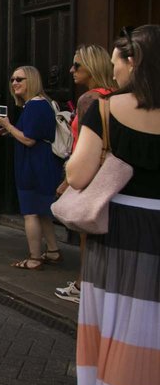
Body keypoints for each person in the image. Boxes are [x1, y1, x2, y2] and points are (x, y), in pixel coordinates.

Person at [68, 25, 160, 385]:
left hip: (124, 231)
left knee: (131, 332)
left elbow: (79, 173)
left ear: (133, 61)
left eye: (120, 60)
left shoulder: (106, 109)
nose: (116, 67)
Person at [54, 46, 118, 303]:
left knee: (86, 233)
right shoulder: (115, 96)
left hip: (89, 173)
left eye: (76, 65)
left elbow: (85, 146)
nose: (71, 70)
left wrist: (68, 181)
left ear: (91, 67)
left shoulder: (89, 99)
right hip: (110, 174)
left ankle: (85, 285)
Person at [0, 66, 63, 270]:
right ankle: (53, 250)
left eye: (19, 79)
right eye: (12, 79)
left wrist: (8, 125)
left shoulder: (34, 106)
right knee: (42, 211)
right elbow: (33, 133)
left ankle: (34, 257)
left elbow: (29, 140)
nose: (14, 83)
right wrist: (10, 131)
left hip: (33, 166)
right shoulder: (42, 104)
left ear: (31, 80)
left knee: (31, 212)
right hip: (42, 164)